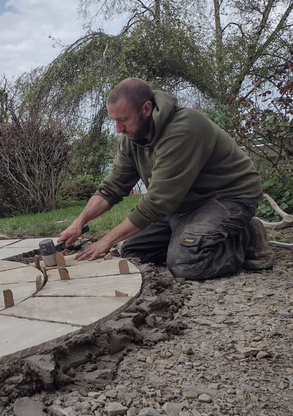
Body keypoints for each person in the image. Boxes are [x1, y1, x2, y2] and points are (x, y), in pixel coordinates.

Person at [58, 77, 274, 280]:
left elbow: (157, 202)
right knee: (134, 251)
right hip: (185, 203)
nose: (118, 129)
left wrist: (105, 241)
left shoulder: (183, 130)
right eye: (114, 120)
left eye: (123, 119)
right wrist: (79, 223)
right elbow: (112, 187)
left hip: (228, 197)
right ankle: (192, 237)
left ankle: (247, 236)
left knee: (187, 263)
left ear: (146, 109)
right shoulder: (132, 138)